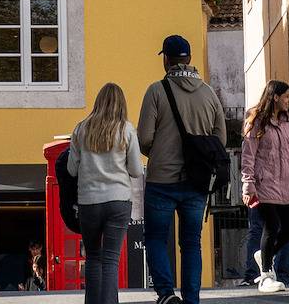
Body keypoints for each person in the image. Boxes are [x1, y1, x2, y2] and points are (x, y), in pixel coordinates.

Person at [137, 33, 227, 304]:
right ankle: (191, 299)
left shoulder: (156, 91)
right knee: (191, 243)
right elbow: (220, 139)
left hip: (161, 180)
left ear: (166, 59)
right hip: (196, 182)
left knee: (155, 238)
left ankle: (166, 294)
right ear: (188, 59)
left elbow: (143, 139)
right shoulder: (208, 93)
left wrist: (161, 152)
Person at [67, 82, 143, 304]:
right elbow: (137, 171)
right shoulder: (126, 129)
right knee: (111, 260)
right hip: (118, 201)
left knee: (92, 257)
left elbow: (72, 169)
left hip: (89, 201)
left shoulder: (81, 129)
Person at [240, 81, 289, 294]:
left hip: (285, 183)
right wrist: (248, 185)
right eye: (286, 97)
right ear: (275, 97)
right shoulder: (256, 120)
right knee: (272, 225)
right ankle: (266, 275)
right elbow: (248, 155)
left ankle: (264, 255)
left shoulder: (288, 121)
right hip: (263, 183)